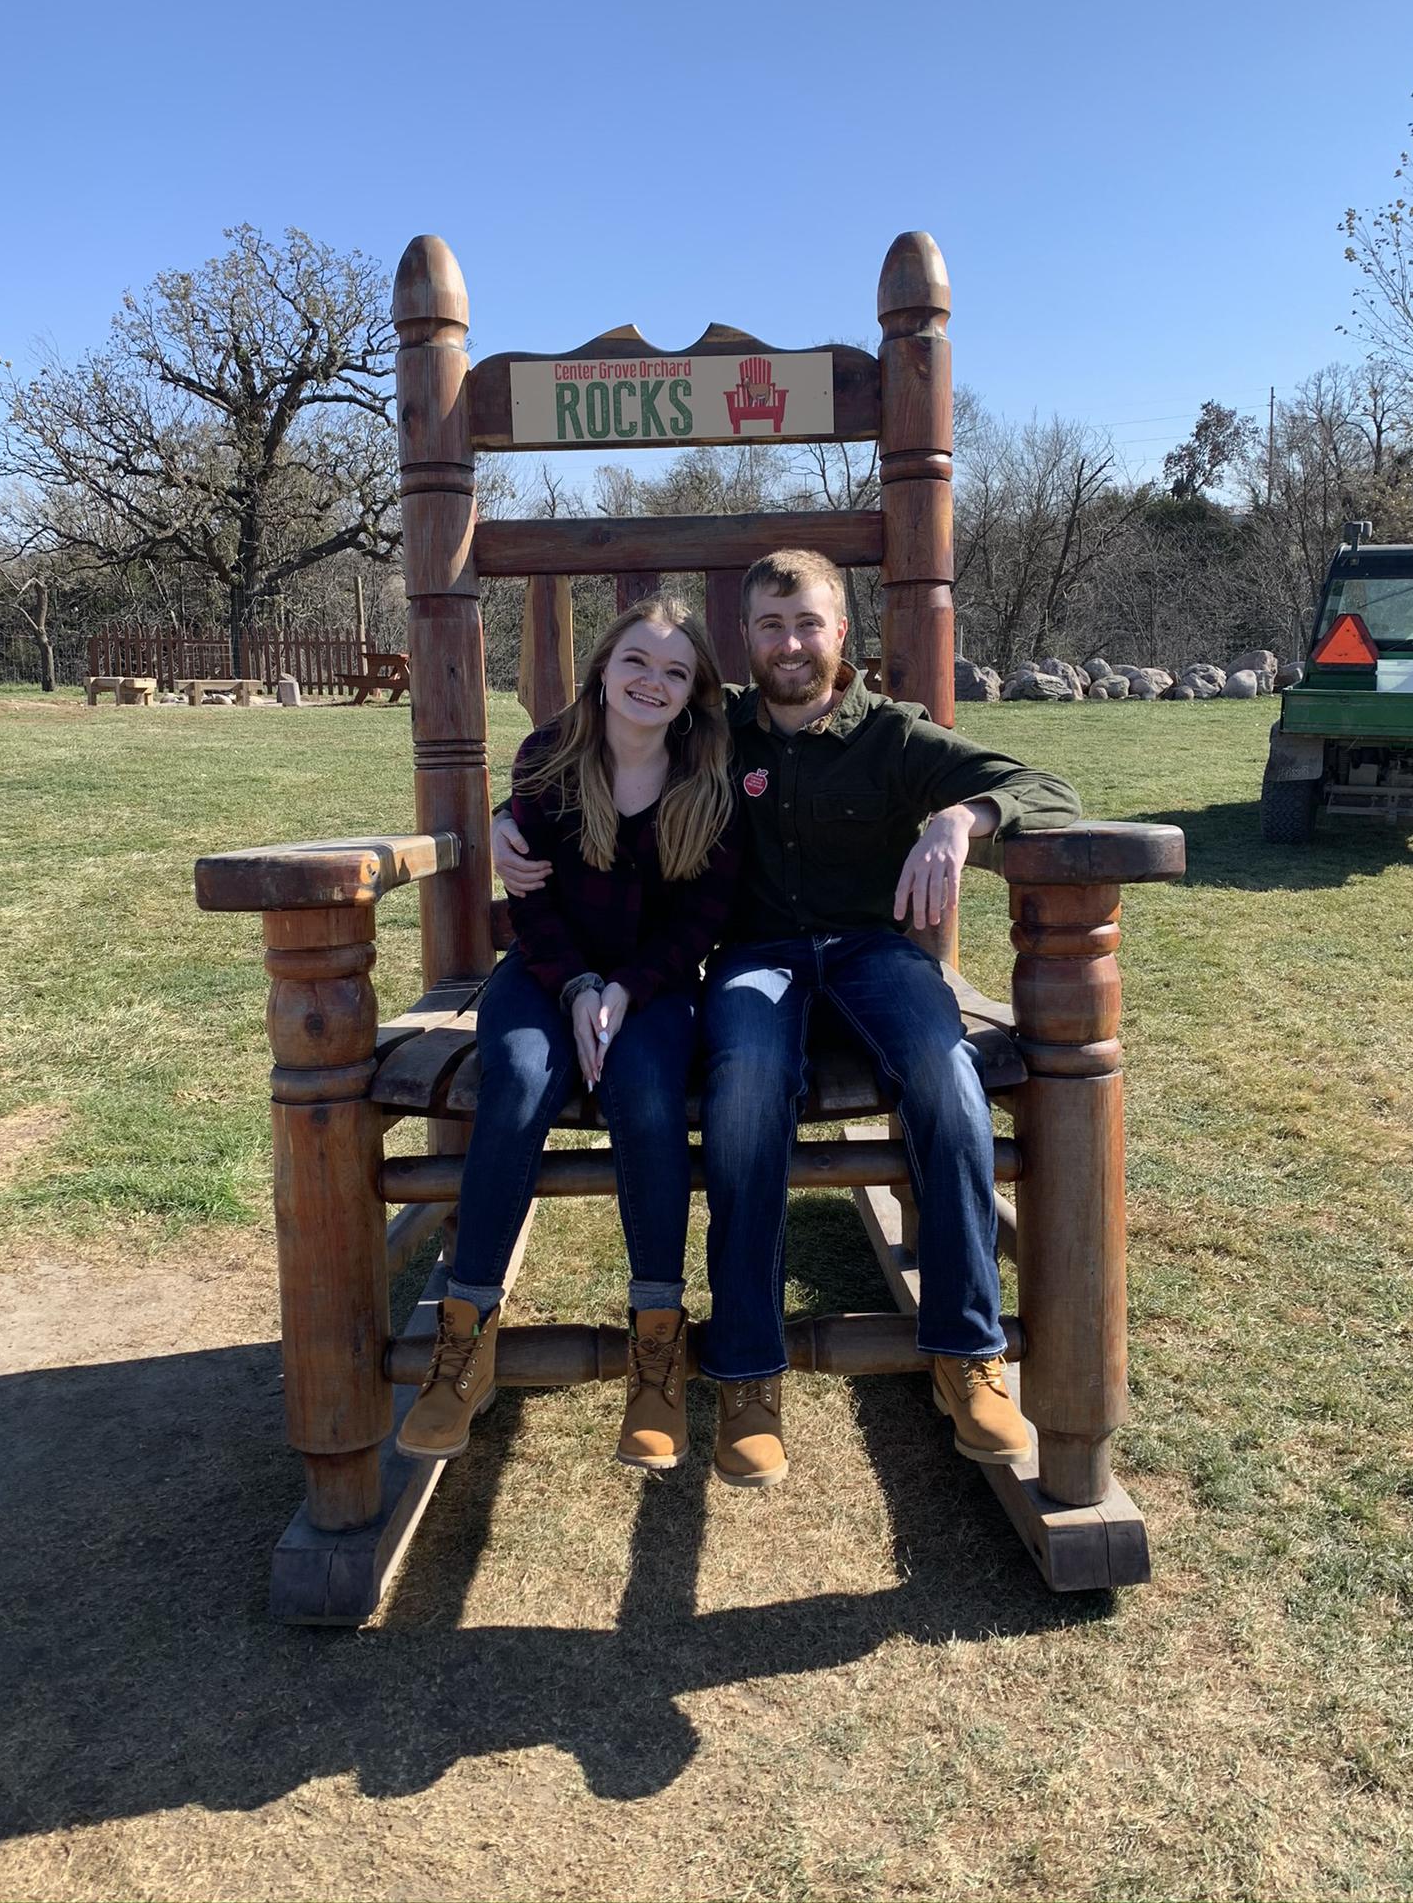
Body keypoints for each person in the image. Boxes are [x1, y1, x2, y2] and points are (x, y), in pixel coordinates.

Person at [494, 551, 1081, 1488]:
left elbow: (1050, 788)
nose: (790, 645)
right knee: (745, 1094)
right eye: (770, 628)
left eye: (807, 624)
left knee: (949, 1078)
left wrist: (961, 820)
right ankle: (747, 1372)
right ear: (747, 642)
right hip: (755, 961)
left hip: (876, 955)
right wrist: (502, 816)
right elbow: (589, 743)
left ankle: (967, 1355)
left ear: (841, 632)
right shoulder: (717, 726)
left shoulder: (893, 736)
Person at [399, 595, 738, 1473]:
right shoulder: (549, 758)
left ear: (696, 691)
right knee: (513, 1079)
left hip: (656, 986)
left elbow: (700, 919)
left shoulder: (708, 773)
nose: (652, 682)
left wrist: (626, 990)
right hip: (544, 975)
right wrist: (582, 985)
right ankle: (466, 1334)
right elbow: (533, 902)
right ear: (602, 669)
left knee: (650, 1094)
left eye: (675, 671)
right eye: (636, 662)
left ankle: (656, 1344)